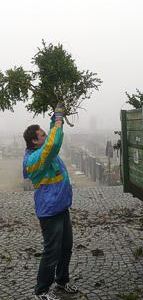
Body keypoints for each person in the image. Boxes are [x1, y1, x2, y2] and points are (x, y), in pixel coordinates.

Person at [23, 103, 78, 300]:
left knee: (66, 247)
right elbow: (52, 143)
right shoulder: (35, 159)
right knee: (51, 252)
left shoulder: (43, 150)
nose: (46, 137)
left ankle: (62, 282)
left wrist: (56, 116)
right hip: (50, 211)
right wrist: (58, 118)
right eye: (42, 135)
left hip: (61, 207)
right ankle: (41, 291)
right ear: (34, 142)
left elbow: (50, 140)